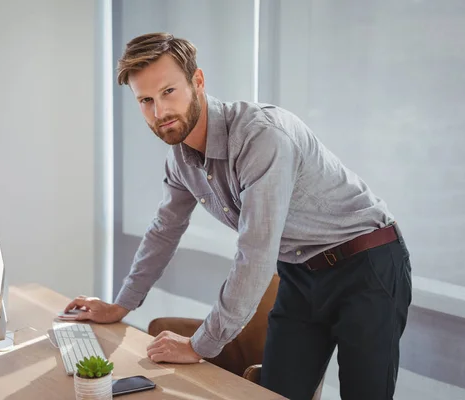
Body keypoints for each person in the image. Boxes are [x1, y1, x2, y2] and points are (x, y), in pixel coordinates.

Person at [64, 32, 412, 400]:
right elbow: (165, 230)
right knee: (274, 393)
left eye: (168, 92)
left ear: (197, 81)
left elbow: (256, 253)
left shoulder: (261, 137)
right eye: (145, 100)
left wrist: (201, 345)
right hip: (300, 272)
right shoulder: (181, 158)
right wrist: (121, 304)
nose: (160, 112)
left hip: (367, 265)